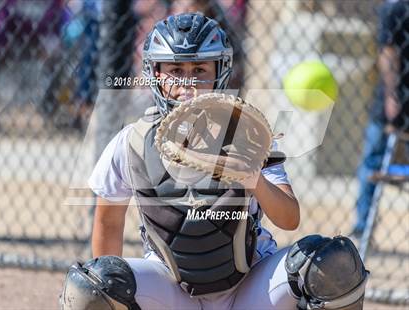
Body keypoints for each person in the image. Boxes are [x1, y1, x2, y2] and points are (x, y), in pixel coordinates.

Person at [60, 13, 368, 310]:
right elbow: (107, 223)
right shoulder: (132, 142)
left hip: (250, 287)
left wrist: (253, 178)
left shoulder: (251, 135)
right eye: (175, 71)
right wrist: (109, 296)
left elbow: (290, 218)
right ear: (155, 74)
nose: (188, 84)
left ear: (220, 72)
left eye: (200, 71)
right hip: (171, 287)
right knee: (93, 283)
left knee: (331, 264)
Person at [351, 0, 409, 239]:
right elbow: (387, 52)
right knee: (373, 161)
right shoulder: (395, 8)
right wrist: (392, 96)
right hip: (392, 98)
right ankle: (363, 224)